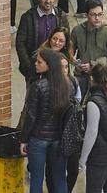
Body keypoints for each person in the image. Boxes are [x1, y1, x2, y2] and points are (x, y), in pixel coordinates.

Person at [21, 49, 72, 193]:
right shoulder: (66, 85)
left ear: (49, 65)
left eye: (39, 62)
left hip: (38, 138)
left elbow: (31, 116)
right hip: (58, 138)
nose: (35, 64)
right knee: (60, 178)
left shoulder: (37, 86)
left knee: (37, 178)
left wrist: (23, 139)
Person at [78, 64, 107, 192]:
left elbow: (91, 132)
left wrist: (83, 159)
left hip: (99, 157)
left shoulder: (94, 102)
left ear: (92, 79)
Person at [16, 0, 70, 82]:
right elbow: (20, 43)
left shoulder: (61, 16)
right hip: (34, 70)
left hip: (55, 69)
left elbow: (66, 42)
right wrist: (29, 66)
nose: (48, 1)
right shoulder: (28, 17)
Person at [71, 0, 107, 94]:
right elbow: (70, 52)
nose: (97, 18)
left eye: (100, 14)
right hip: (82, 76)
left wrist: (93, 64)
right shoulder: (77, 31)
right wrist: (74, 62)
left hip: (102, 80)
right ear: (86, 15)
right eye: (93, 15)